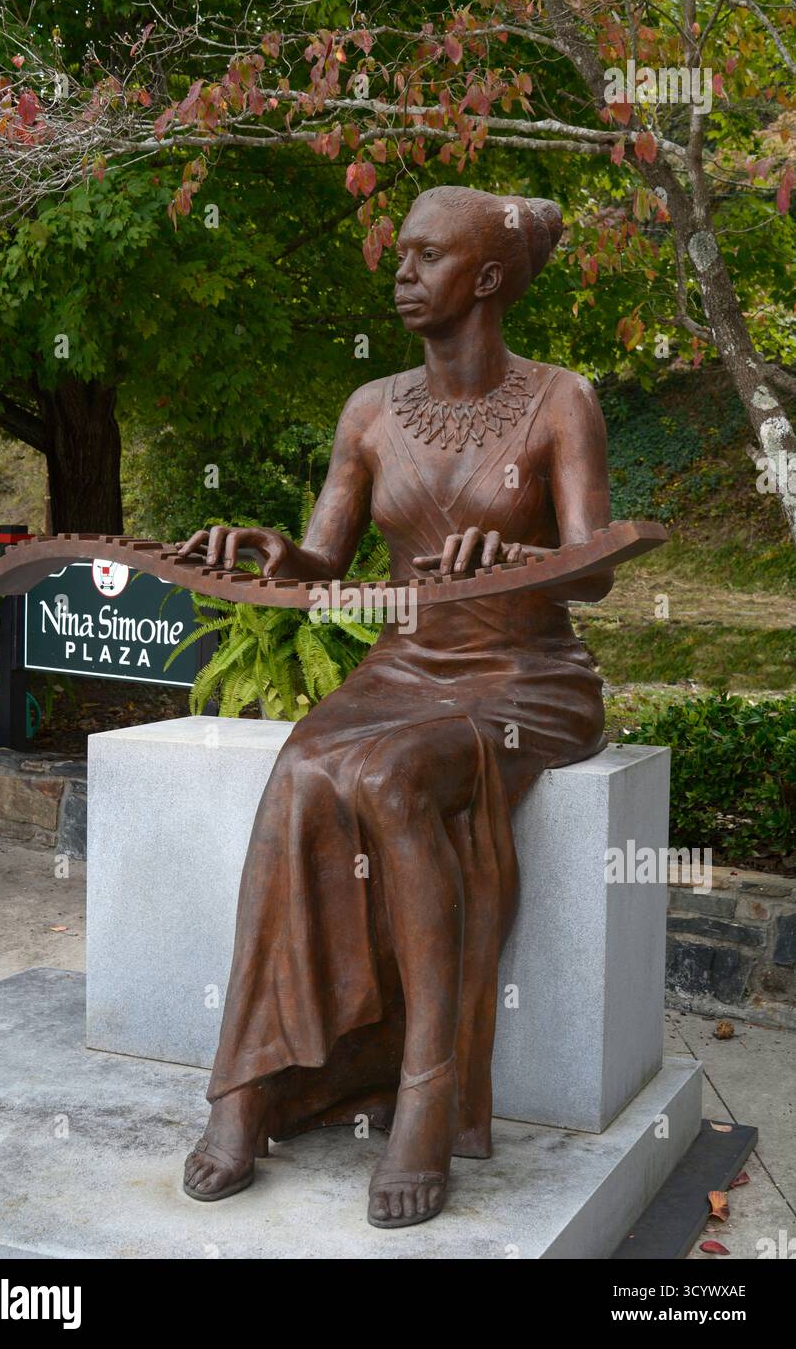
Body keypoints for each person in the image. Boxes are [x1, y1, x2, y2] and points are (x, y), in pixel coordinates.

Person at [179, 185, 614, 1229]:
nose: (400, 273)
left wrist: (520, 561)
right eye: (400, 256)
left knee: (381, 772)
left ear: (487, 277)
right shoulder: (370, 408)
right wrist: (282, 554)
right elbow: (326, 559)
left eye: (424, 257)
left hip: (524, 677)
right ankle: (247, 1086)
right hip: (400, 666)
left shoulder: (560, 400)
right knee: (297, 773)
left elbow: (593, 571)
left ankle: (428, 1096)